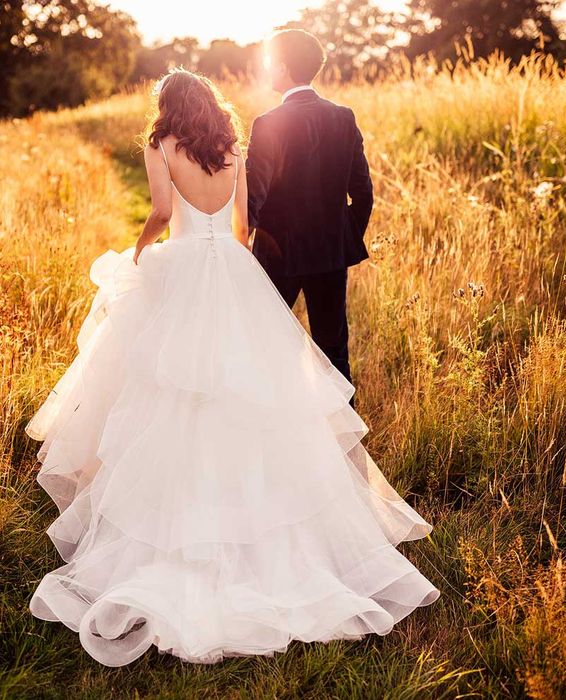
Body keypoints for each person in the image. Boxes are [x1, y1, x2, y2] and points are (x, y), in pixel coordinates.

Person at [25, 67, 439, 668]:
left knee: (170, 390)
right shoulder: (232, 147)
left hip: (186, 264)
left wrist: (143, 251)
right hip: (234, 270)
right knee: (257, 395)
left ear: (168, 107)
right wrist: (229, 263)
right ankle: (275, 528)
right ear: (211, 106)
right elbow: (245, 228)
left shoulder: (161, 145)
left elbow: (164, 213)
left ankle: (175, 526)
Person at [246, 29, 374, 408]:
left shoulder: (267, 123)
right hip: (330, 256)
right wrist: (342, 237)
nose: (267, 68)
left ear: (283, 67)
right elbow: (363, 193)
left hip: (276, 257)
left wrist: (239, 247)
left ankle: (269, 424)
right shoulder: (342, 117)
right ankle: (346, 441)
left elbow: (254, 195)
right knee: (333, 349)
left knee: (263, 343)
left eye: (270, 61)